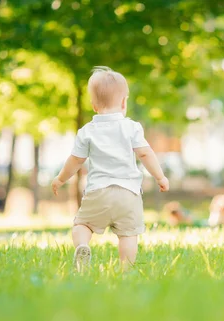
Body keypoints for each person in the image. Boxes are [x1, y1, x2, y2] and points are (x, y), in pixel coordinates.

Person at [51, 66, 169, 271]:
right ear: (124, 103)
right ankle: (126, 269)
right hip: (128, 194)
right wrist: (160, 177)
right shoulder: (131, 127)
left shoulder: (87, 131)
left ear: (93, 105)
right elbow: (145, 154)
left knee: (82, 224)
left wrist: (60, 179)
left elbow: (75, 160)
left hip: (98, 192)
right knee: (128, 234)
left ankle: (82, 245)